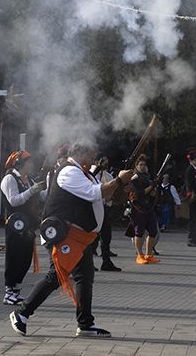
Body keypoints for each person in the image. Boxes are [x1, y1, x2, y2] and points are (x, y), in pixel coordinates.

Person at [10, 142, 126, 338]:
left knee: (84, 277)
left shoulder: (81, 172)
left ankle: (85, 323)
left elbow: (104, 196)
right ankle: (21, 313)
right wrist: (119, 180)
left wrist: (121, 183)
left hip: (78, 237)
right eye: (90, 155)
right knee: (56, 276)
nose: (93, 159)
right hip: (66, 235)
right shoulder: (69, 172)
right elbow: (94, 193)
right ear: (79, 153)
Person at [0, 150, 46, 306]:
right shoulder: (9, 179)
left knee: (25, 259)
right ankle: (9, 292)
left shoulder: (28, 179)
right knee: (14, 258)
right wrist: (32, 190)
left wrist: (51, 186)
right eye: (29, 162)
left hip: (28, 224)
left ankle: (16, 290)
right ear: (21, 164)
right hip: (15, 224)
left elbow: (41, 196)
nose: (31, 165)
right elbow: (14, 201)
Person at [128, 155, 160, 264]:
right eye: (140, 165)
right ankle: (140, 255)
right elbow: (140, 193)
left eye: (144, 165)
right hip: (138, 208)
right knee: (139, 232)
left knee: (153, 232)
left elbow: (150, 194)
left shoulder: (147, 178)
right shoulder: (134, 178)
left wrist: (153, 192)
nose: (142, 166)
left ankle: (149, 254)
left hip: (148, 208)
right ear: (136, 166)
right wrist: (151, 187)